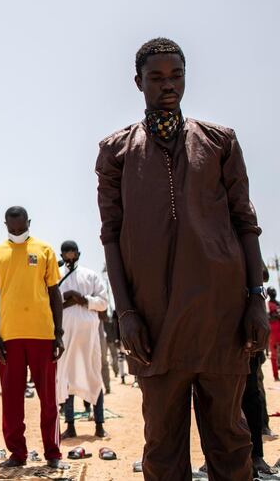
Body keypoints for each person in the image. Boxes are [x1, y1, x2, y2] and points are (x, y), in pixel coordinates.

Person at [96, 38, 268, 481]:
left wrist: (255, 299)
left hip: (220, 316)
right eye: (156, 77)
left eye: (176, 76)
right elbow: (111, 237)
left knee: (231, 444)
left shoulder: (219, 141)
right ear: (139, 83)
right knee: (162, 451)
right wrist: (127, 313)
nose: (168, 86)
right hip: (153, 323)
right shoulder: (115, 152)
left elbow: (245, 223)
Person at [0, 206, 65, 469]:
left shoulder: (45, 250)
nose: (17, 232)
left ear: (29, 222)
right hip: (9, 337)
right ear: (5, 224)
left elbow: (55, 293)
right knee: (11, 400)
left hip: (42, 334)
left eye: (21, 228)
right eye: (12, 229)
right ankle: (17, 453)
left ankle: (53, 453)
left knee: (48, 399)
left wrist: (59, 334)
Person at [54, 240, 109, 439]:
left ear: (79, 253)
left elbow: (103, 303)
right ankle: (70, 425)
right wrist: (70, 298)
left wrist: (82, 299)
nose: (69, 256)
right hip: (65, 335)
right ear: (61, 255)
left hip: (89, 335)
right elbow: (49, 302)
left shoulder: (91, 275)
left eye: (72, 252)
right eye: (65, 253)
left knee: (94, 376)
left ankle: (99, 424)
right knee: (66, 379)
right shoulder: (55, 276)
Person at [268, 287, 280, 381]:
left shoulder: (278, 304)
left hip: (277, 331)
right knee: (274, 354)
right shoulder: (267, 305)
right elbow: (268, 317)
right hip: (272, 332)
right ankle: (276, 376)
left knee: (275, 354)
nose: (273, 293)